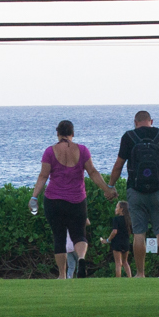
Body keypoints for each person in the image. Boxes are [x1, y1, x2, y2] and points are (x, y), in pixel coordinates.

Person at [30, 119, 115, 279]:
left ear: (58, 133)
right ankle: (81, 258)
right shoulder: (82, 151)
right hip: (77, 200)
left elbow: (43, 176)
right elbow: (93, 173)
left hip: (54, 201)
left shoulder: (49, 152)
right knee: (79, 235)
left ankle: (62, 275)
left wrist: (34, 197)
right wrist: (107, 189)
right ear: (72, 134)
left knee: (59, 237)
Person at [106, 110, 159, 277]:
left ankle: (141, 273)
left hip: (135, 190)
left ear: (135, 122)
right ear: (151, 121)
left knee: (139, 231)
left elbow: (118, 165)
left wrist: (110, 186)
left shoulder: (129, 137)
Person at [105, 200, 133, 277]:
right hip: (126, 242)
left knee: (118, 263)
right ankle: (130, 277)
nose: (115, 209)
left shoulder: (116, 219)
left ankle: (118, 279)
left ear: (121, 209)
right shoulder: (129, 220)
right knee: (125, 262)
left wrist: (108, 240)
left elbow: (114, 231)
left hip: (117, 242)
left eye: (117, 207)